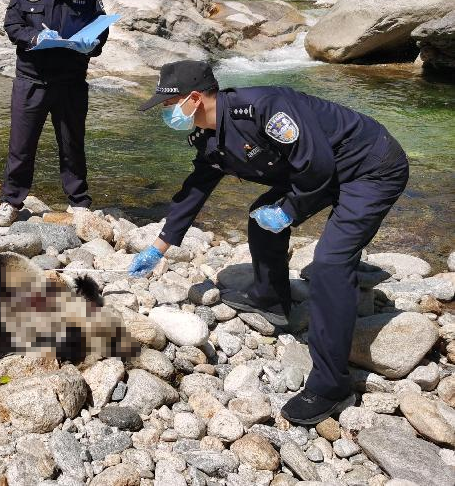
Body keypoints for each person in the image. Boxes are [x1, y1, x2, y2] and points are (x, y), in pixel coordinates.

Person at [128, 60, 409, 425]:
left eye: (169, 105)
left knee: (329, 264)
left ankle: (331, 385)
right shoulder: (209, 135)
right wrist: (159, 246)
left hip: (370, 167)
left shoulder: (266, 109)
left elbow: (318, 166)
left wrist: (290, 210)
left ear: (194, 99)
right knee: (262, 216)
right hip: (324, 170)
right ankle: (272, 298)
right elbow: (197, 186)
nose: (167, 114)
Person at [0, 0, 110, 226]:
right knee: (21, 145)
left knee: (72, 144)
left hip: (71, 82)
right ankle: (11, 201)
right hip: (31, 80)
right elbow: (12, 25)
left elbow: (102, 27)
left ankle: (79, 202)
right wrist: (35, 36)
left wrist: (94, 42)